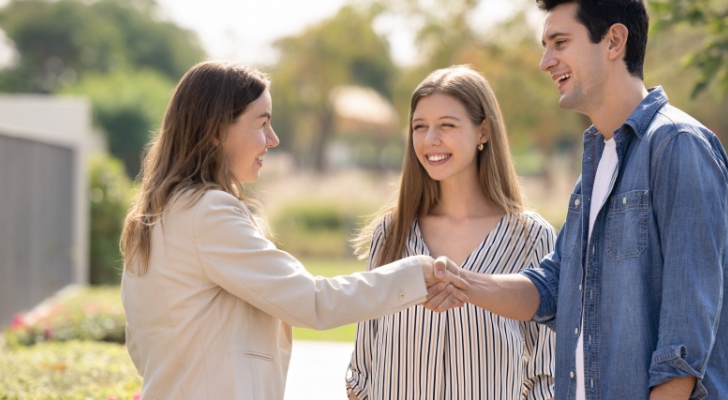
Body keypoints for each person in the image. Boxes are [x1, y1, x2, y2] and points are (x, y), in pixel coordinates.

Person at [439, 1, 728, 399]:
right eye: (545, 45)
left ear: (614, 41)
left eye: (560, 42)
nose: (545, 61)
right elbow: (553, 287)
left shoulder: (677, 146)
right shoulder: (597, 163)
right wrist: (462, 282)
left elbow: (684, 344)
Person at [118, 61, 468, 400]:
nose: (273, 139)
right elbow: (312, 302)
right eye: (262, 123)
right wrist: (414, 273)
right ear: (215, 131)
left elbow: (140, 344)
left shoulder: (157, 214)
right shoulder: (208, 212)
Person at [345, 65, 557, 400]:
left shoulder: (531, 238)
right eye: (419, 127)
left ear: (483, 132)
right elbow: (363, 368)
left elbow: (548, 375)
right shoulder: (391, 233)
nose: (430, 140)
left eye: (447, 125)